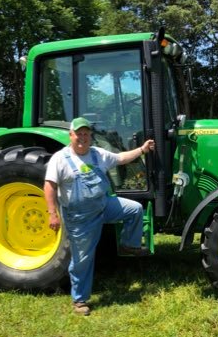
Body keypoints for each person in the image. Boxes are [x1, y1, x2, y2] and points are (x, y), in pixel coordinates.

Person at [44, 117, 155, 316]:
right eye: (79, 134)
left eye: (86, 134)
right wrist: (53, 214)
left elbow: (121, 158)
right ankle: (79, 300)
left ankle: (128, 244)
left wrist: (142, 150)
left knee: (135, 209)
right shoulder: (60, 159)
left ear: (90, 136)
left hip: (104, 206)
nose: (83, 138)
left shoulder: (98, 154)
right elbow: (50, 186)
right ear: (71, 135)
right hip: (80, 218)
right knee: (83, 260)